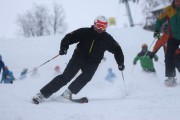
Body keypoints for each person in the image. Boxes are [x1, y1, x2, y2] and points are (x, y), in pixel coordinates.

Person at [32, 15, 125, 104]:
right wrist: (64, 48)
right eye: (99, 25)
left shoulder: (107, 39)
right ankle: (42, 94)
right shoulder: (85, 32)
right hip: (78, 58)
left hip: (93, 62)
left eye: (103, 27)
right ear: (94, 24)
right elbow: (68, 37)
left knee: (87, 77)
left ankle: (67, 93)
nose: (100, 29)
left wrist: (120, 62)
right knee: (66, 77)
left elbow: (117, 49)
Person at [153, 0, 180, 86]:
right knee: (169, 55)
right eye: (177, 1)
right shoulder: (168, 10)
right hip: (173, 37)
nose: (178, 2)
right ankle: (171, 77)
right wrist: (156, 31)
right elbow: (159, 19)